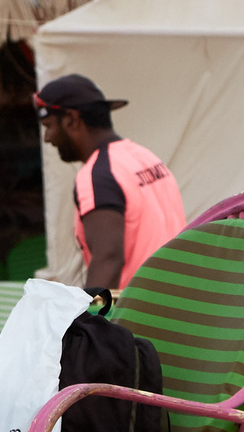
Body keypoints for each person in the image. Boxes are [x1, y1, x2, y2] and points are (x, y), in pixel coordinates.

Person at [36, 73, 185, 293]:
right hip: (181, 303)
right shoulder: (146, 158)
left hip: (138, 315)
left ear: (71, 120)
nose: (48, 138)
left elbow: (108, 258)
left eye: (49, 125)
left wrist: (90, 322)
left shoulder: (98, 174)